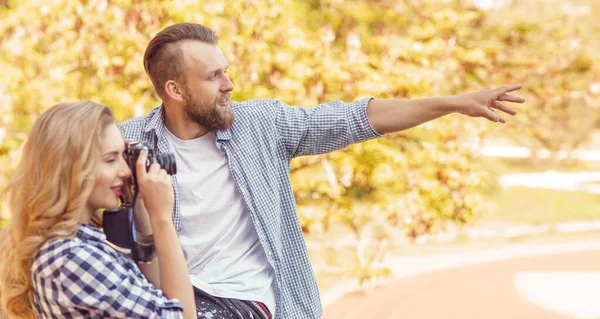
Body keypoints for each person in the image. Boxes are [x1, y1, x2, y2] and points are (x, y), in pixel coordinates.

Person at [120, 23, 525, 319]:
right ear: (175, 90)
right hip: (171, 300)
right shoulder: (128, 144)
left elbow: (357, 118)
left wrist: (454, 103)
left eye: (226, 70)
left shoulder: (259, 124)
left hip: (248, 302)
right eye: (213, 76)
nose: (229, 84)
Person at [0, 101, 196, 318]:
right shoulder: (70, 258)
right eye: (110, 159)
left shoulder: (82, 244)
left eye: (123, 156)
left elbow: (158, 295)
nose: (124, 171)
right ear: (71, 169)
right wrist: (162, 219)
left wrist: (141, 208)